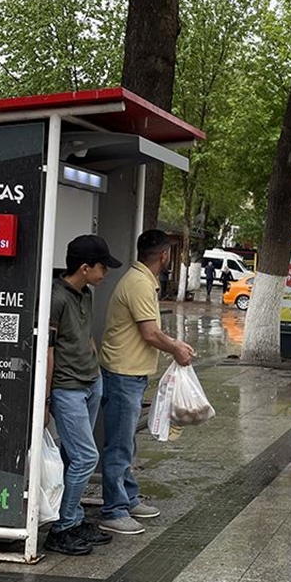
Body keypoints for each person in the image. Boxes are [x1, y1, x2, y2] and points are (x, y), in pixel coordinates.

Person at [98, 230, 194, 536]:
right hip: (122, 373)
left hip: (130, 372)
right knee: (119, 443)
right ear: (164, 256)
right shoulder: (139, 283)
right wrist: (177, 348)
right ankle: (113, 509)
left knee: (127, 440)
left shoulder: (141, 280)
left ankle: (127, 497)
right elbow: (150, 333)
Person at [43, 235, 123, 556]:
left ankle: (73, 520)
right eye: (103, 267)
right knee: (86, 457)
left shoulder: (86, 294)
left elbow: (85, 334)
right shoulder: (55, 297)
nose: (106, 274)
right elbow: (48, 351)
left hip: (91, 382)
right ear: (85, 268)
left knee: (73, 456)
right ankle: (61, 528)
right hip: (67, 388)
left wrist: (97, 370)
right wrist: (46, 399)